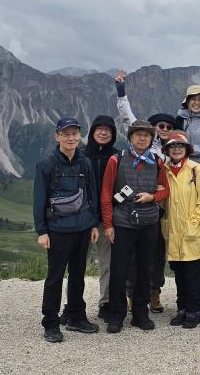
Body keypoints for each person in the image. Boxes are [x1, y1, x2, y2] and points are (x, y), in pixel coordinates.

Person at [32, 117, 102, 342]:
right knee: (55, 276)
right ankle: (51, 323)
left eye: (74, 134)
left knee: (78, 275)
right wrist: (42, 231)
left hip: (82, 228)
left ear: (80, 136)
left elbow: (91, 194)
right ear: (57, 137)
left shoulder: (85, 163)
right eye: (65, 134)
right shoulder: (46, 165)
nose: (71, 138)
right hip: (58, 230)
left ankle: (76, 316)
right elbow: (39, 200)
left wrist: (93, 223)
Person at [99, 120, 171, 333]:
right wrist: (108, 224)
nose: (142, 138)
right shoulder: (117, 159)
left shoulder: (157, 161)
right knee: (119, 270)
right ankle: (117, 314)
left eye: (146, 135)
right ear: (130, 137)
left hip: (149, 223)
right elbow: (106, 193)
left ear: (151, 139)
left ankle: (140, 313)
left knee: (144, 269)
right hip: (123, 222)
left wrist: (152, 197)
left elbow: (165, 190)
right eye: (138, 134)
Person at [113, 69, 171, 314]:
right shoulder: (145, 144)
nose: (164, 129)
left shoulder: (174, 149)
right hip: (131, 210)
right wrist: (121, 91)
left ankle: (153, 292)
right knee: (133, 258)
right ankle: (131, 295)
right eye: (160, 126)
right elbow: (128, 117)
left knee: (155, 255)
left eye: (168, 126)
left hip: (157, 210)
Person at [159, 131, 200, 329]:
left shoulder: (196, 170)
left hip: (191, 231)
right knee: (178, 274)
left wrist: (193, 223)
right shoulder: (164, 171)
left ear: (186, 149)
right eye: (172, 146)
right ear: (167, 150)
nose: (176, 149)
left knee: (191, 275)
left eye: (180, 146)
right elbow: (162, 201)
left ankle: (193, 310)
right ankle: (181, 309)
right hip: (172, 230)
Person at [81, 115, 119, 322]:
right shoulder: (81, 155)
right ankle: (74, 305)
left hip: (107, 220)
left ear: (113, 134)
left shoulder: (117, 156)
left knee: (108, 264)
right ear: (92, 132)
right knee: (79, 264)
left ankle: (106, 303)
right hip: (84, 220)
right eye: (99, 129)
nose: (103, 132)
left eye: (108, 130)